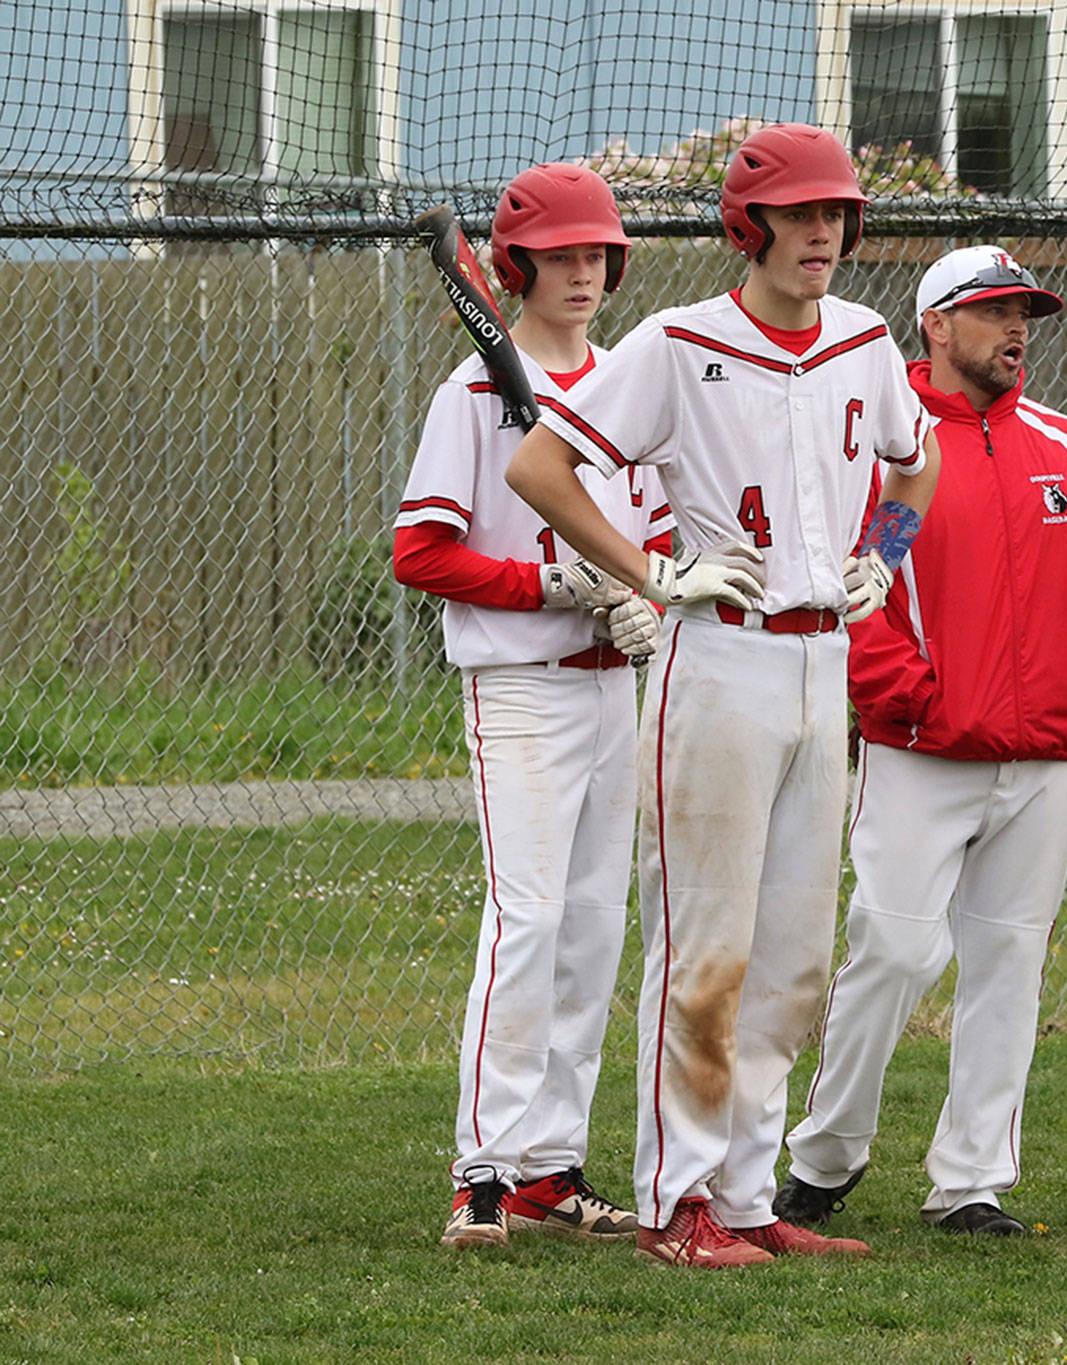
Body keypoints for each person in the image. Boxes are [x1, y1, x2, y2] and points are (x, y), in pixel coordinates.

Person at [505, 123, 940, 1269]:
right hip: (717, 658)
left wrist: (886, 551)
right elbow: (538, 467)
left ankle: (746, 1197)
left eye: (836, 213)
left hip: (820, 662)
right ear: (747, 227)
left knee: (793, 954)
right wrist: (648, 573)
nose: (824, 234)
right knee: (705, 949)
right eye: (799, 214)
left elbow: (917, 457)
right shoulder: (674, 339)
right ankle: (674, 1204)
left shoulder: (863, 337)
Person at [771, 245, 1067, 1237]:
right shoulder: (890, 450)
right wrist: (901, 688)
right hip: (921, 748)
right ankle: (825, 1158)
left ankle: (970, 1182)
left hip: (1043, 756)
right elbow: (853, 588)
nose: (1016, 329)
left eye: (1024, 312)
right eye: (993, 312)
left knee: (1007, 965)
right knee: (893, 951)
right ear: (936, 327)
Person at [396, 162, 665, 1249]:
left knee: (595, 929)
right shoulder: (472, 394)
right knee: (528, 923)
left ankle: (552, 1166)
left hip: (613, 690)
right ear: (513, 266)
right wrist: (547, 588)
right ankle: (483, 1170)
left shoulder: (622, 384)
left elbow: (645, 533)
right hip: (518, 689)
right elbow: (420, 552)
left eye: (597, 253)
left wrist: (647, 593)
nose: (584, 272)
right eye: (560, 255)